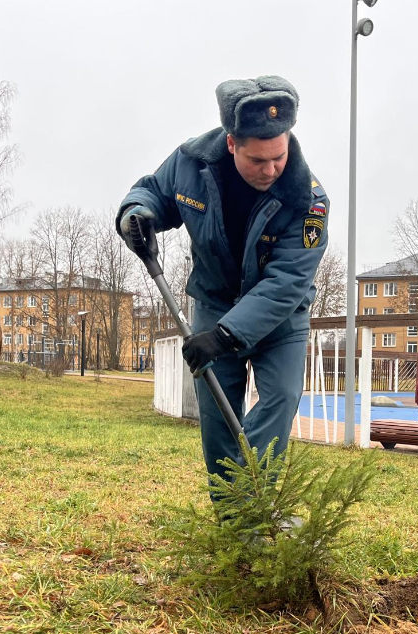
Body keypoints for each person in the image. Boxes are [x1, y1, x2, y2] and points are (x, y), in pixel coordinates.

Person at [116, 75, 328, 499]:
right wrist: (137, 214)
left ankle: (255, 504)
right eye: (257, 160)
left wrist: (227, 336)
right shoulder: (191, 163)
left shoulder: (308, 199)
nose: (270, 170)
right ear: (232, 143)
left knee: (280, 400)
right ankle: (232, 524)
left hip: (279, 320)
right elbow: (154, 191)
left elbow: (288, 282)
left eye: (279, 156)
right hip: (214, 303)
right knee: (217, 421)